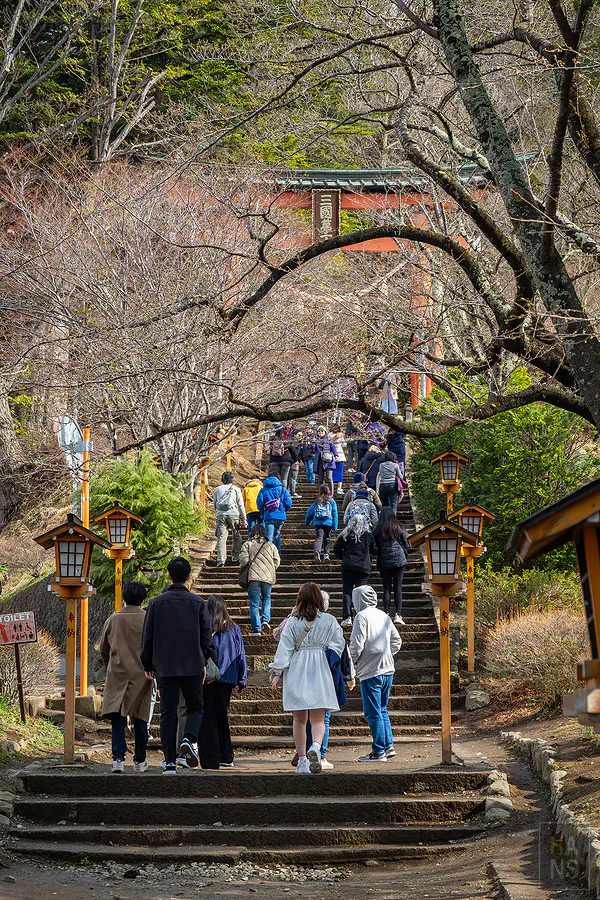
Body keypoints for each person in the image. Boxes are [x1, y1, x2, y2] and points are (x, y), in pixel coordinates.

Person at [141, 556, 213, 774]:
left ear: (168, 576)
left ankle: (170, 762)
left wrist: (148, 664)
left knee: (167, 713)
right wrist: (204, 659)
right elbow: (206, 637)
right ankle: (189, 739)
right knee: (196, 708)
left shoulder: (155, 603)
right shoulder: (198, 603)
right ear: (189, 577)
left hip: (165, 665)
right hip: (192, 664)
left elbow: (148, 637)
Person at [269, 582, 345, 775]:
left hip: (297, 668)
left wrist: (277, 673)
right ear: (320, 599)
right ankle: (317, 748)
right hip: (320, 668)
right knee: (319, 719)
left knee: (300, 720)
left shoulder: (293, 622)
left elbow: (284, 647)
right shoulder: (329, 620)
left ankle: (302, 760)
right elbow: (338, 644)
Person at [100, 581, 152, 774]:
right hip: (142, 674)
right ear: (143, 598)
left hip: (118, 673)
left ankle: (117, 759)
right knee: (140, 717)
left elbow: (104, 649)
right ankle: (140, 760)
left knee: (118, 717)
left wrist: (110, 667)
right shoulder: (147, 619)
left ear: (124, 597)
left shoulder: (113, 619)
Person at [350, 585, 402, 762]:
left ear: (358, 600)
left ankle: (378, 751)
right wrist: (385, 653)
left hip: (371, 672)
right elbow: (396, 641)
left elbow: (356, 645)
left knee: (373, 713)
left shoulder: (361, 617)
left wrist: (352, 662)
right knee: (382, 709)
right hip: (388, 669)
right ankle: (388, 746)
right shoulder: (384, 615)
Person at [198, 594, 247, 769]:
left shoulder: (203, 627)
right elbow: (240, 655)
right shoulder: (233, 628)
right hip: (227, 677)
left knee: (207, 717)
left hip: (207, 677)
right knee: (222, 716)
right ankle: (226, 755)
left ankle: (210, 757)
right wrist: (242, 678)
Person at [333, 514, 377, 628]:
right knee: (361, 592)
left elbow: (336, 549)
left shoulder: (346, 534)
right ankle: (361, 616)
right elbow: (375, 549)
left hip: (348, 566)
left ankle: (347, 617)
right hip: (363, 567)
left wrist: (344, 557)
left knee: (347, 591)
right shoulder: (368, 535)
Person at [239, 524, 281, 633]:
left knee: (254, 603)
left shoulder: (247, 544)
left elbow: (243, 561)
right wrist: (271, 569)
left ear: (252, 533)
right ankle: (265, 619)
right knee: (267, 598)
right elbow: (277, 560)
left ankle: (256, 629)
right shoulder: (271, 545)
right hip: (268, 577)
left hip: (253, 577)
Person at [373, 507, 410, 625]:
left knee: (387, 588)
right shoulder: (398, 527)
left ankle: (386, 614)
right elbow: (406, 542)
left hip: (384, 560)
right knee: (398, 587)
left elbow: (374, 547)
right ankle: (398, 615)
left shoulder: (377, 529)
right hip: (399, 559)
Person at [213, 471, 247, 567]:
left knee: (221, 537)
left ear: (222, 479)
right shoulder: (236, 489)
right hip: (233, 514)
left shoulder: (217, 489)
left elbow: (215, 504)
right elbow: (240, 505)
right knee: (236, 535)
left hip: (221, 515)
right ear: (232, 479)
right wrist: (244, 518)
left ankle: (221, 560)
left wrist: (218, 514)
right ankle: (235, 557)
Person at [256, 474, 293, 551]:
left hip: (268, 515)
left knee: (269, 536)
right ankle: (277, 552)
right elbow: (288, 502)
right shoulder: (283, 489)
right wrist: (283, 510)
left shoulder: (263, 490)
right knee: (277, 534)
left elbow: (259, 502)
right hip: (280, 516)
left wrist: (263, 512)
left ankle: (268, 553)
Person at [305, 484, 338, 561]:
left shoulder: (317, 501)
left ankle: (317, 551)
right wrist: (334, 526)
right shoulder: (331, 502)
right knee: (326, 538)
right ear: (328, 492)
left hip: (318, 523)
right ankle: (326, 554)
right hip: (328, 522)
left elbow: (309, 513)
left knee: (319, 538)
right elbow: (335, 514)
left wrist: (307, 522)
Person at [376, 450, 404, 514]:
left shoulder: (381, 465)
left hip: (382, 485)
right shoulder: (395, 465)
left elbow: (381, 473)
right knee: (393, 505)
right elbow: (400, 476)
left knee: (384, 505)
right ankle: (392, 521)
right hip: (392, 485)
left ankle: (384, 520)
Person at [268, 426, 293, 490]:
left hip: (274, 460)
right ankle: (283, 493)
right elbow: (292, 449)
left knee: (276, 478)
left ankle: (277, 492)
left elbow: (270, 449)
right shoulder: (286, 439)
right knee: (284, 478)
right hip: (286, 460)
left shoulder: (272, 439)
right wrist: (294, 460)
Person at [314, 425, 338, 493]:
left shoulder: (329, 440)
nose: (320, 432)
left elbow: (333, 447)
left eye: (322, 431)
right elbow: (312, 449)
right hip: (319, 461)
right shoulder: (315, 440)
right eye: (319, 431)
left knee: (329, 478)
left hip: (328, 461)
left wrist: (336, 455)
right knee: (320, 479)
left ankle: (331, 493)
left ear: (325, 432)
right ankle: (321, 493)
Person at [331, 429, 346, 496]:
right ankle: (336, 488)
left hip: (336, 457)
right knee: (336, 473)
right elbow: (344, 445)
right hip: (335, 457)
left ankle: (336, 488)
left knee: (337, 473)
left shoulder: (340, 436)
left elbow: (344, 445)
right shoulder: (331, 435)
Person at [288, 432, 303, 499]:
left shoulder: (298, 442)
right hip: (293, 462)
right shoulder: (294, 442)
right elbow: (294, 451)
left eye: (301, 435)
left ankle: (290, 491)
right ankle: (292, 492)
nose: (300, 436)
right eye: (299, 435)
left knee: (291, 478)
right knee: (293, 478)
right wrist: (297, 460)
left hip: (292, 461)